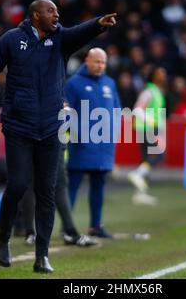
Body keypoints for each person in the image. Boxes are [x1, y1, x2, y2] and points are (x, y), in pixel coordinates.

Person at [0, 0, 117, 273]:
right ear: (35, 16)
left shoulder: (60, 40)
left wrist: (97, 25)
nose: (57, 15)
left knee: (47, 192)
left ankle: (42, 255)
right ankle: (3, 236)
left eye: (57, 11)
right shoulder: (12, 40)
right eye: (51, 11)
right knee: (19, 185)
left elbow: (78, 32)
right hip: (19, 126)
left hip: (51, 128)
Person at [64, 48, 121, 239]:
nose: (100, 66)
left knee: (99, 187)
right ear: (87, 61)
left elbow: (116, 111)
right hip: (81, 145)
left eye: (103, 62)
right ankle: (67, 227)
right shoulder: (73, 83)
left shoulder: (109, 83)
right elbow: (66, 112)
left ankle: (96, 226)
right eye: (96, 62)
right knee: (73, 186)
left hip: (103, 146)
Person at [16, 146, 98, 247]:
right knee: (59, 183)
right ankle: (70, 232)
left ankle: (30, 233)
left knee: (30, 182)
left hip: (28, 136)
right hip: (50, 135)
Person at [127, 67, 167, 205]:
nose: (163, 75)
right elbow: (137, 109)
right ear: (153, 76)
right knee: (159, 154)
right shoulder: (149, 91)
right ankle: (137, 174)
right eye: (160, 72)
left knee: (146, 159)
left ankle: (140, 193)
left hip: (147, 128)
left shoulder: (156, 91)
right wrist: (150, 122)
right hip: (147, 128)